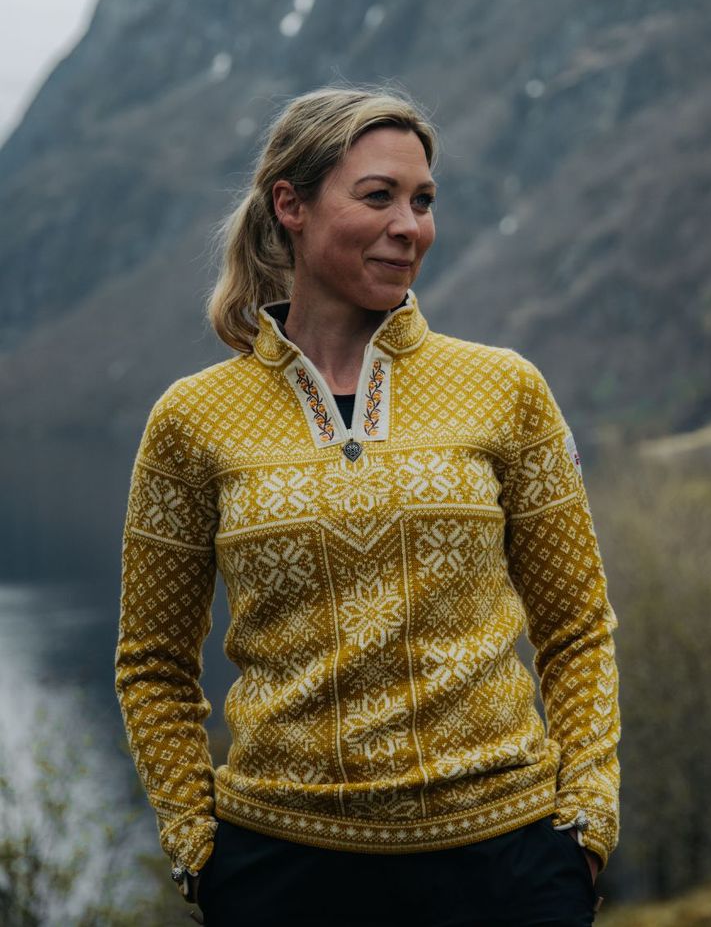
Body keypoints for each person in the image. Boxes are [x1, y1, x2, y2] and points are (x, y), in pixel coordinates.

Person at [115, 86, 620, 927]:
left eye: (422, 201)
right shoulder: (190, 418)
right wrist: (197, 849)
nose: (409, 226)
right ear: (292, 206)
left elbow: (577, 626)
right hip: (282, 875)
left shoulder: (506, 388)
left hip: (510, 867)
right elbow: (152, 662)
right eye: (378, 196)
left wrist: (588, 823)